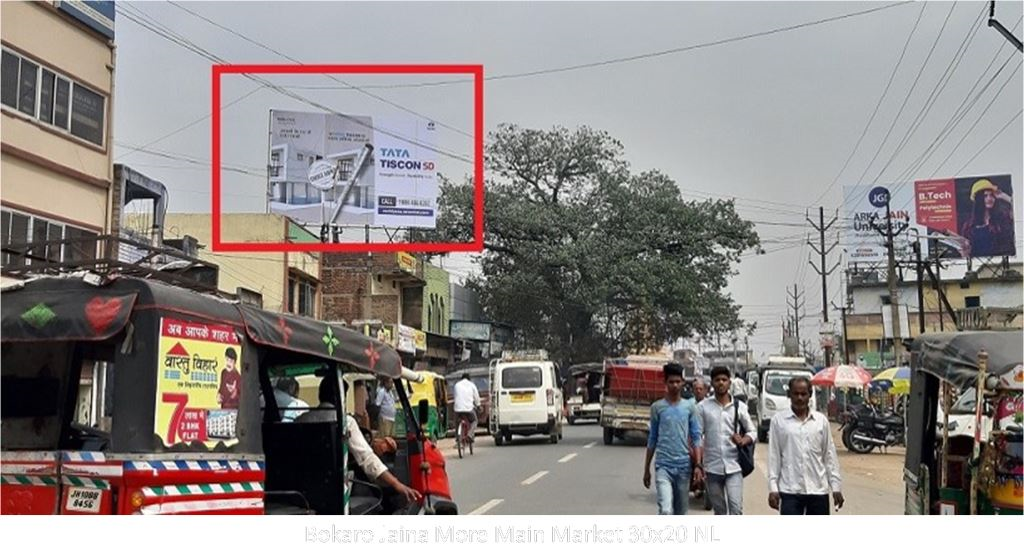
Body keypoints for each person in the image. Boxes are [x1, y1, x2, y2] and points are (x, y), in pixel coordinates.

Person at [296, 378, 421, 504]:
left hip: (301, 489)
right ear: (340, 397)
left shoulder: (300, 420)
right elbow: (367, 458)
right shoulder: (345, 422)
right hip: (335, 492)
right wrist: (396, 484)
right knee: (376, 502)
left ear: (320, 395)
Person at [767, 376, 844, 515]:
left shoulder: (821, 421)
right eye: (795, 394)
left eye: (803, 394)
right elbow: (774, 457)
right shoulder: (778, 422)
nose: (800, 398)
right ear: (789, 395)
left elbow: (829, 456)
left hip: (818, 490)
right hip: (790, 490)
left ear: (810, 395)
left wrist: (836, 487)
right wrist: (773, 488)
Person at [643, 363, 704, 515]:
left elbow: (696, 437)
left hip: (684, 467)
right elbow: (652, 438)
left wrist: (698, 465)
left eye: (678, 382)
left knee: (681, 512)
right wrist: (646, 469)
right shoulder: (657, 408)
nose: (675, 385)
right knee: (665, 510)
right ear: (665, 383)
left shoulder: (689, 408)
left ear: (683, 382)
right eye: (671, 382)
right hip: (663, 466)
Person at [696, 367, 756, 515]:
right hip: (712, 468)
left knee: (736, 509)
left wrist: (743, 440)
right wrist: (698, 464)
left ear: (729, 383)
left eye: (724, 380)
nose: (721, 383)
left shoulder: (739, 407)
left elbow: (753, 431)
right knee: (720, 511)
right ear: (712, 383)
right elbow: (697, 436)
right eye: (717, 380)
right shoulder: (703, 407)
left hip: (734, 466)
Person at [958, 179, 1015, 258]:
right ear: (979, 199)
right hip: (979, 266)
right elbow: (966, 254)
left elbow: (1019, 210)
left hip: (1000, 261)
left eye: (992, 195)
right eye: (985, 196)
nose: (989, 198)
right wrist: (964, 253)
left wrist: (1003, 196)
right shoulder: (969, 225)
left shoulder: (1002, 218)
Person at [453, 372, 481, 441]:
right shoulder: (472, 385)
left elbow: (455, 396)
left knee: (457, 422)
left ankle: (457, 437)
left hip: (458, 408)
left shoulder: (457, 385)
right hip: (469, 409)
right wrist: (478, 406)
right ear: (469, 379)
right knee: (474, 421)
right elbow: (476, 397)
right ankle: (470, 434)